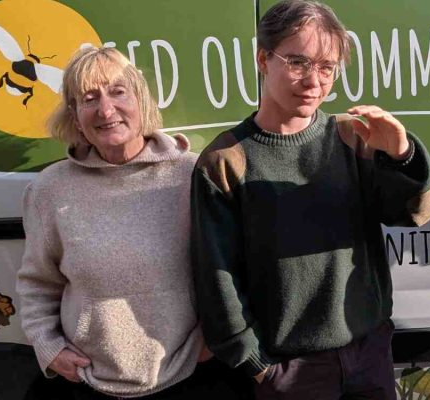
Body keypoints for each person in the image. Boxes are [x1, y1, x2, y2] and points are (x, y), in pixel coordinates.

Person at [190, 1, 430, 399]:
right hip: (289, 371)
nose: (313, 81)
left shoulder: (353, 137)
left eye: (327, 67)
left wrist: (401, 154)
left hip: (367, 356)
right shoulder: (226, 161)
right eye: (297, 62)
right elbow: (217, 279)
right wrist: (258, 367)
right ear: (262, 59)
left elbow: (416, 212)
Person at [16, 47, 253, 399]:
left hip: (192, 376)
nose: (106, 110)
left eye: (117, 91)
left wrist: (215, 338)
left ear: (140, 99)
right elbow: (38, 284)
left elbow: (237, 266)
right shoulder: (49, 190)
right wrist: (50, 349)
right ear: (76, 116)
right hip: (89, 383)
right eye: (89, 98)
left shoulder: (191, 174)